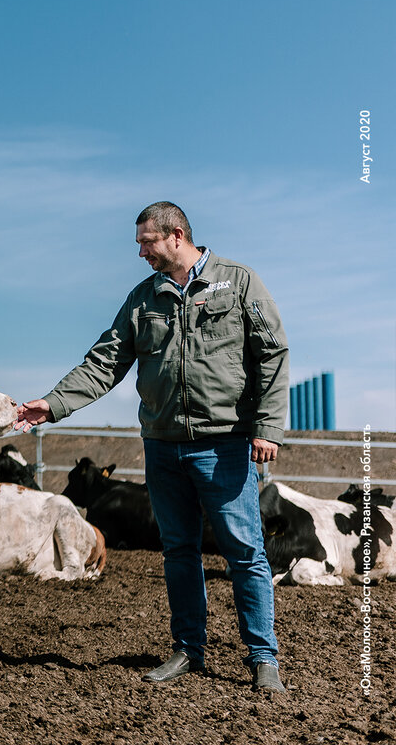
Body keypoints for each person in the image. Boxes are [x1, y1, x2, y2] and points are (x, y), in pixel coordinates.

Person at [15, 201, 289, 692]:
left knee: (245, 551)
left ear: (176, 235)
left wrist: (268, 426)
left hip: (224, 444)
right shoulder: (144, 298)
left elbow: (271, 353)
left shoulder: (238, 282)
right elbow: (104, 362)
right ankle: (188, 650)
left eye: (146, 242)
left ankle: (262, 658)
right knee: (178, 551)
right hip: (163, 446)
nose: (141, 253)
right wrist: (54, 404)